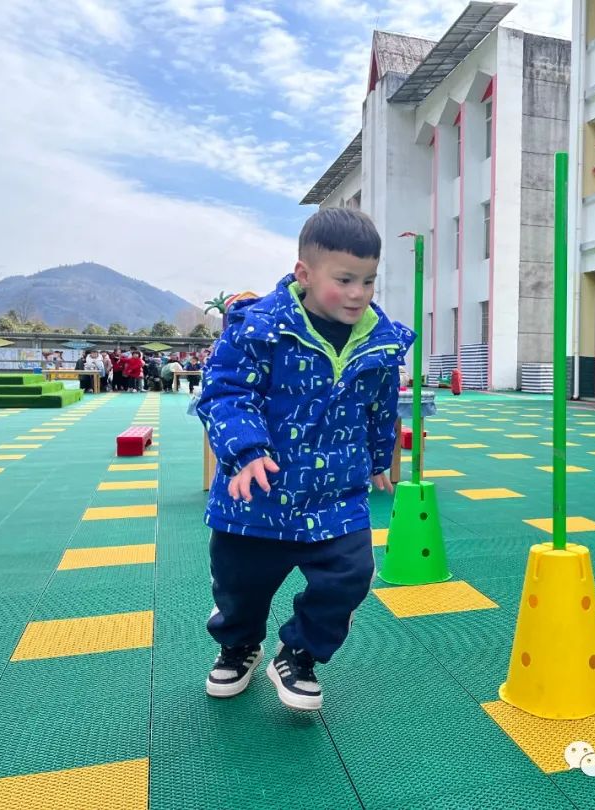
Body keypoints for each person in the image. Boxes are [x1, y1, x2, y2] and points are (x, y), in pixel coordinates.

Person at [196, 208, 413, 711]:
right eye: (344, 280)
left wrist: (381, 453)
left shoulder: (379, 342)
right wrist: (246, 451)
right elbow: (225, 393)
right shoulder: (260, 329)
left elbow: (381, 406)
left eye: (368, 281)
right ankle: (239, 645)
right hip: (256, 497)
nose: (358, 293)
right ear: (305, 274)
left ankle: (298, 654)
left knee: (350, 578)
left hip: (337, 495)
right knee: (239, 587)